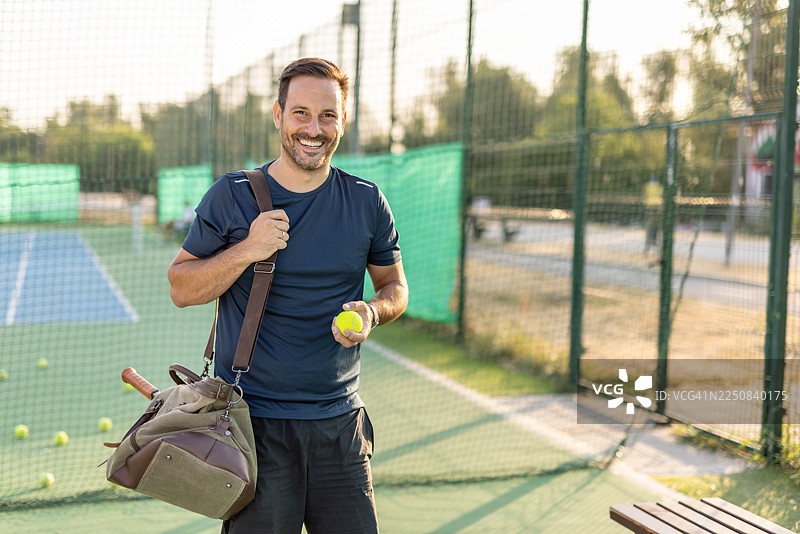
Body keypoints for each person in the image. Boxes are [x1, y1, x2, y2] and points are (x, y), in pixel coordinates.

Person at [167, 57, 408, 534]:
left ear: (343, 120)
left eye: (327, 115)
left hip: (340, 426)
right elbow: (181, 288)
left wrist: (372, 311)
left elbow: (394, 288)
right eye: (300, 113)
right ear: (278, 115)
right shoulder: (231, 194)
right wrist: (248, 249)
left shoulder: (366, 201)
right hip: (254, 426)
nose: (313, 129)